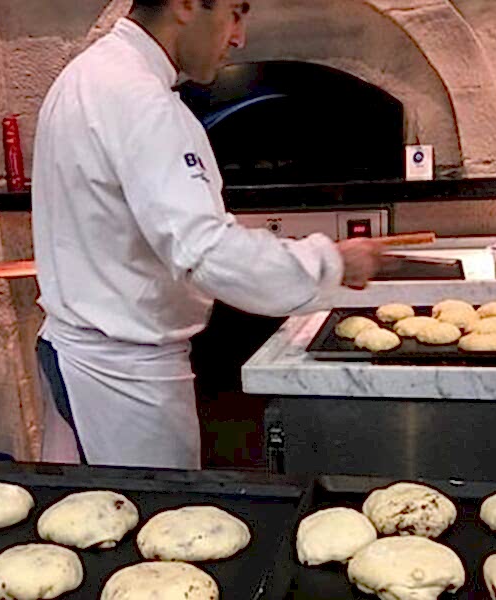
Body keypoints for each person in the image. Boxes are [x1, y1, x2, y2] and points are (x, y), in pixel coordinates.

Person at [32, 0, 386, 469]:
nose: (239, 37)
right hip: (124, 377)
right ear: (185, 4)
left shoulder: (87, 75)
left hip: (80, 351)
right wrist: (333, 262)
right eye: (235, 12)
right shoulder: (140, 100)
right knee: (157, 514)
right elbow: (204, 250)